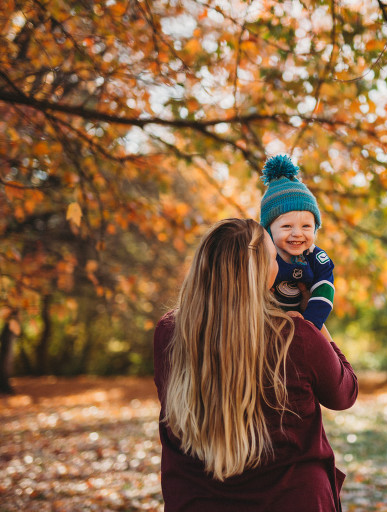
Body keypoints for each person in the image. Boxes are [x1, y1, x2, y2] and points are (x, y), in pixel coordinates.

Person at [153, 218, 358, 512]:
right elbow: (345, 393)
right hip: (292, 500)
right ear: (259, 271)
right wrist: (314, 321)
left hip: (197, 499)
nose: (281, 265)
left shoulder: (169, 331)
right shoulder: (296, 337)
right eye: (275, 257)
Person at [259, 155, 335, 332]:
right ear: (269, 230)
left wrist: (309, 324)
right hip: (264, 323)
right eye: (286, 226)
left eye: (306, 226)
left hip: (304, 323)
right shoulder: (260, 255)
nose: (297, 234)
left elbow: (324, 291)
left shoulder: (316, 257)